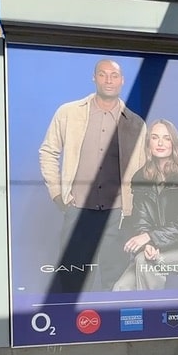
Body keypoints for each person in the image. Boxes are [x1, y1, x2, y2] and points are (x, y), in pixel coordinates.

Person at [39, 59, 146, 292]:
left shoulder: (136, 123)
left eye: (114, 75)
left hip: (117, 217)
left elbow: (142, 172)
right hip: (77, 211)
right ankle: (69, 328)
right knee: (73, 283)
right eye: (103, 74)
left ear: (122, 80)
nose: (109, 80)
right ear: (94, 78)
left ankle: (112, 328)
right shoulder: (68, 113)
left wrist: (134, 213)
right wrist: (58, 195)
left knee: (114, 283)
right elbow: (48, 152)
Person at [113, 119, 178, 291]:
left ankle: (152, 314)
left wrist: (151, 238)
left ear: (173, 144)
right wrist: (149, 245)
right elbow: (141, 220)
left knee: (146, 263)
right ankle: (139, 316)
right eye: (154, 137)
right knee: (120, 289)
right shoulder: (140, 177)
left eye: (166, 138)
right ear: (148, 144)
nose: (160, 143)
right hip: (158, 245)